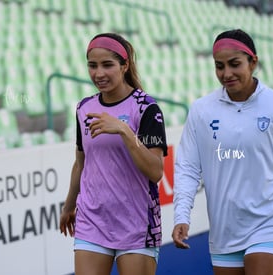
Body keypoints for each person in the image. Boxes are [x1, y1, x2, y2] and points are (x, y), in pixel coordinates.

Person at [172, 29, 273, 275]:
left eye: (234, 64)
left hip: (271, 223)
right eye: (219, 66)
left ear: (253, 62)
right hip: (224, 232)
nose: (226, 74)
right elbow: (188, 168)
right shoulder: (201, 110)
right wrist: (181, 216)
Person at [59, 32, 168, 275]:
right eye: (92, 65)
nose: (98, 74)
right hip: (91, 220)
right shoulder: (84, 108)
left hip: (136, 223)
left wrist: (125, 131)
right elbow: (80, 163)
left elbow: (155, 171)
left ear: (124, 65)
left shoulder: (146, 108)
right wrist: (68, 206)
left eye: (107, 65)